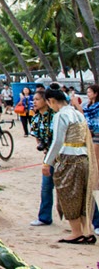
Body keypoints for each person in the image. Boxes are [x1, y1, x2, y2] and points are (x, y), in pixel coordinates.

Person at [43, 84, 97, 244]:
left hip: (69, 159)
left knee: (69, 195)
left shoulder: (61, 115)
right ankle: (87, 231)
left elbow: (58, 140)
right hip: (83, 158)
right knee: (83, 196)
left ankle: (77, 232)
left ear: (51, 101)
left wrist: (47, 162)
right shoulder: (77, 113)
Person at [74, 83, 99, 234]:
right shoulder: (90, 105)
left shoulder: (95, 106)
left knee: (95, 161)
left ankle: (95, 183)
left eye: (90, 91)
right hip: (90, 136)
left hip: (96, 136)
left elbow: (88, 119)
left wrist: (77, 107)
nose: (88, 94)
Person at [30, 89, 54, 226]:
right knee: (46, 187)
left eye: (37, 99)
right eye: (34, 100)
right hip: (48, 156)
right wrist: (41, 145)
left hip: (63, 156)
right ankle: (44, 217)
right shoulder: (35, 118)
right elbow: (37, 139)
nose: (34, 102)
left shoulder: (55, 115)